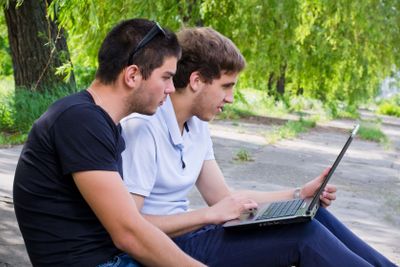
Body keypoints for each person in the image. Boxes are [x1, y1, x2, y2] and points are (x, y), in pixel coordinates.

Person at [120, 27, 397, 267]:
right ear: (196, 81)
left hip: (196, 233)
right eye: (226, 86)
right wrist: (207, 216)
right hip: (167, 249)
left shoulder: (197, 126)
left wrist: (299, 194)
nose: (230, 98)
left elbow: (222, 198)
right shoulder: (144, 129)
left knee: (310, 212)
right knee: (303, 236)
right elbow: (132, 227)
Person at [13, 19, 205, 267]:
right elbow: (128, 234)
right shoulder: (80, 120)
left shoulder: (99, 121)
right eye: (166, 77)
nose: (170, 89)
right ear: (133, 75)